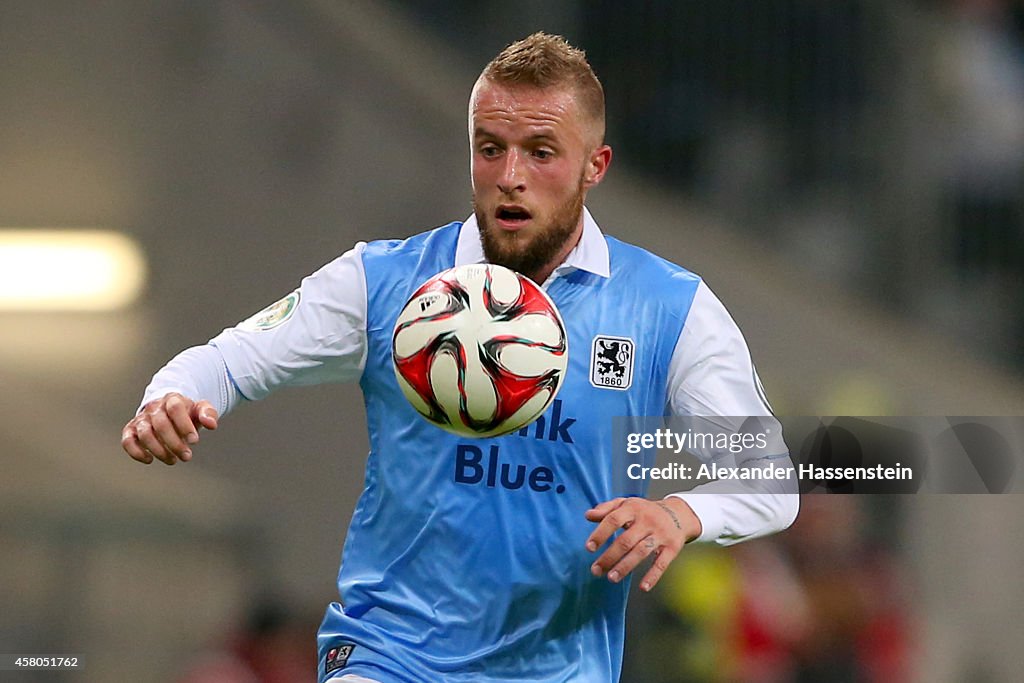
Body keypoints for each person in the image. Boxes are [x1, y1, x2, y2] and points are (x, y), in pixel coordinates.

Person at [121, 32, 798, 683]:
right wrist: (168, 397)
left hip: (558, 668)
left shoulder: (666, 308)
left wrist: (678, 513)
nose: (510, 178)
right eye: (489, 148)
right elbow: (227, 360)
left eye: (541, 152)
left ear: (596, 165)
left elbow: (767, 479)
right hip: (387, 653)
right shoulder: (383, 282)